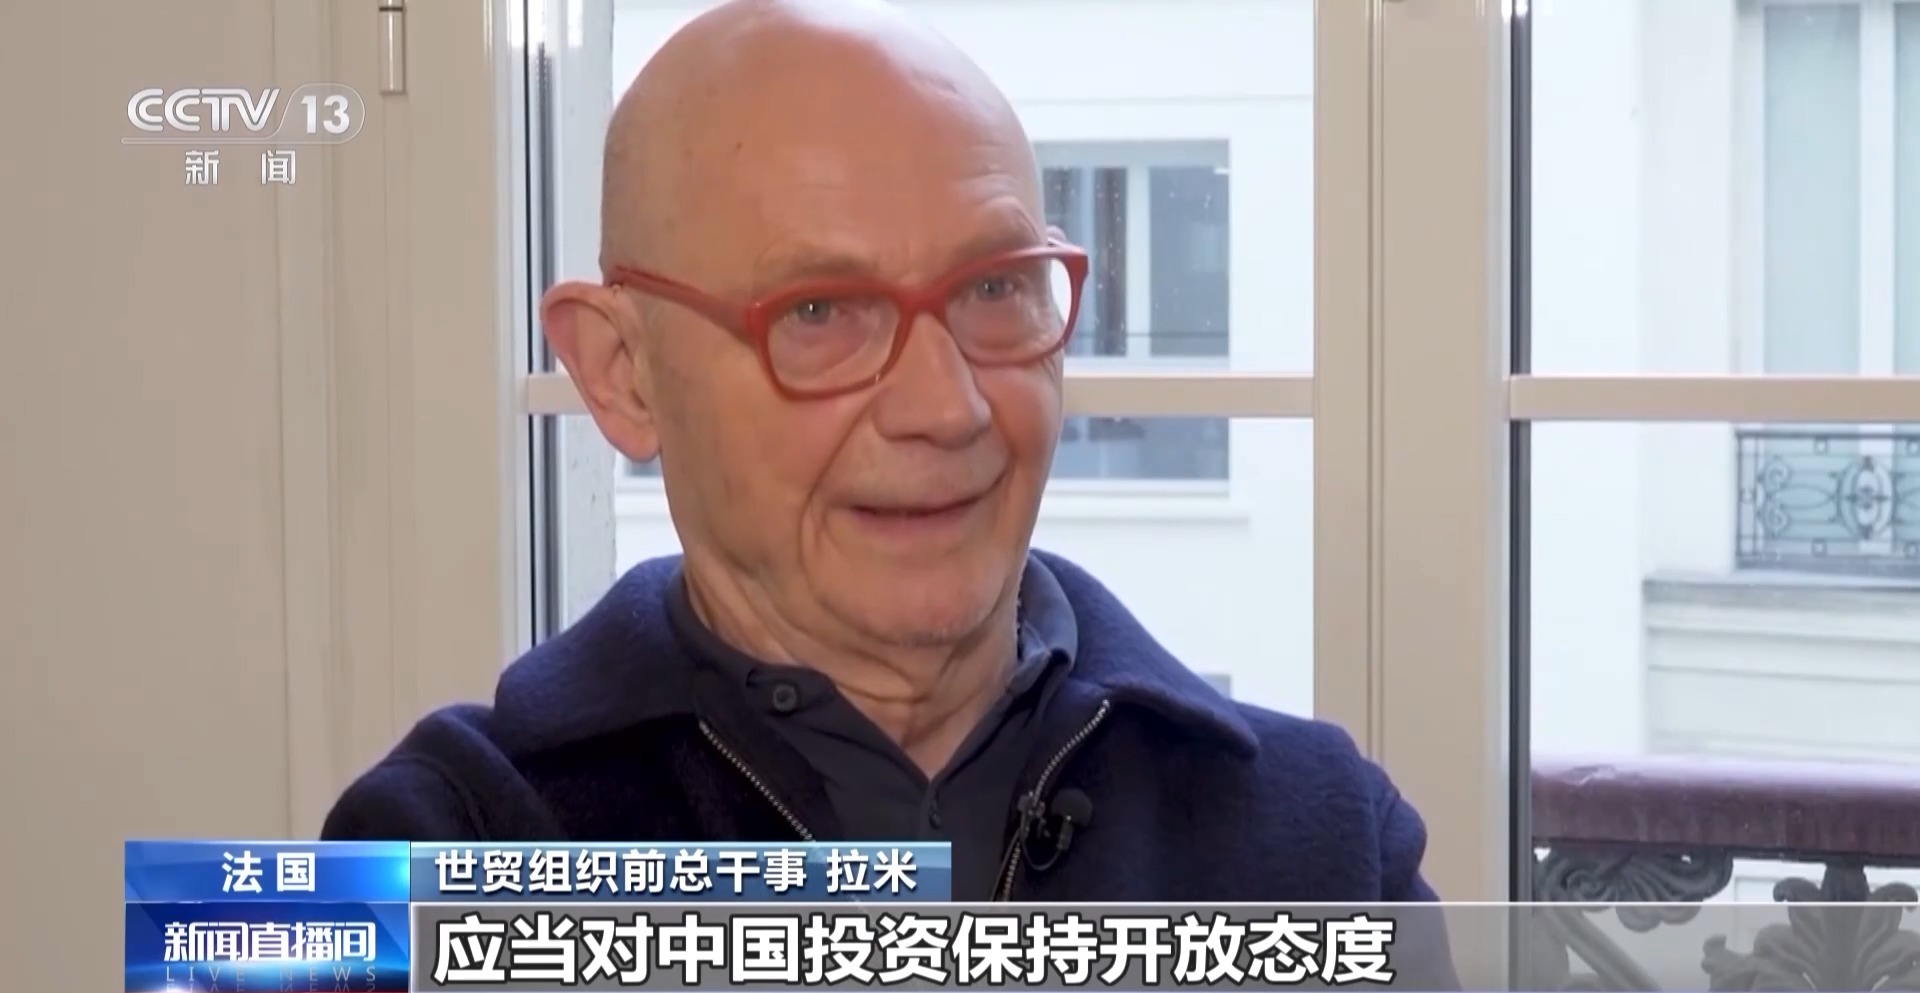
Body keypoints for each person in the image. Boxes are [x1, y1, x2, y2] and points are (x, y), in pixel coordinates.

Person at [324, 0, 1446, 923]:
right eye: (818, 311)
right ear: (622, 372)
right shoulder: (432, 856)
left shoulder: (1328, 848)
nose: (946, 408)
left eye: (995, 288)